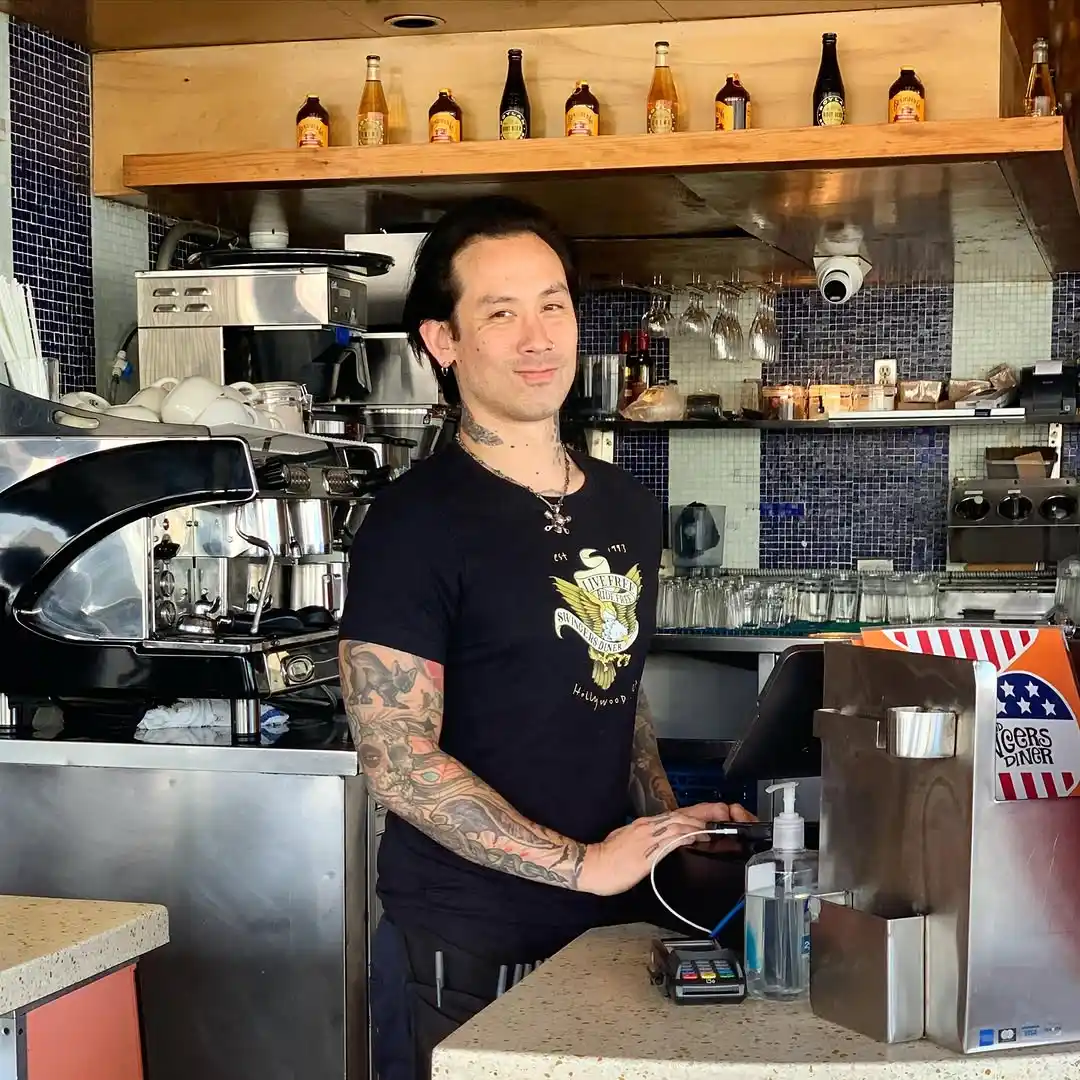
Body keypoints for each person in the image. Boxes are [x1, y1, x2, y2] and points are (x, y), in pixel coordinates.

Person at [338, 195, 753, 1080]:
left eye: (552, 305)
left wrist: (663, 829)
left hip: (612, 928)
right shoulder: (413, 523)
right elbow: (395, 756)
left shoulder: (625, 505)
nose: (537, 338)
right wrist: (581, 866)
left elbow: (614, 687)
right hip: (467, 944)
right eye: (500, 313)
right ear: (443, 341)